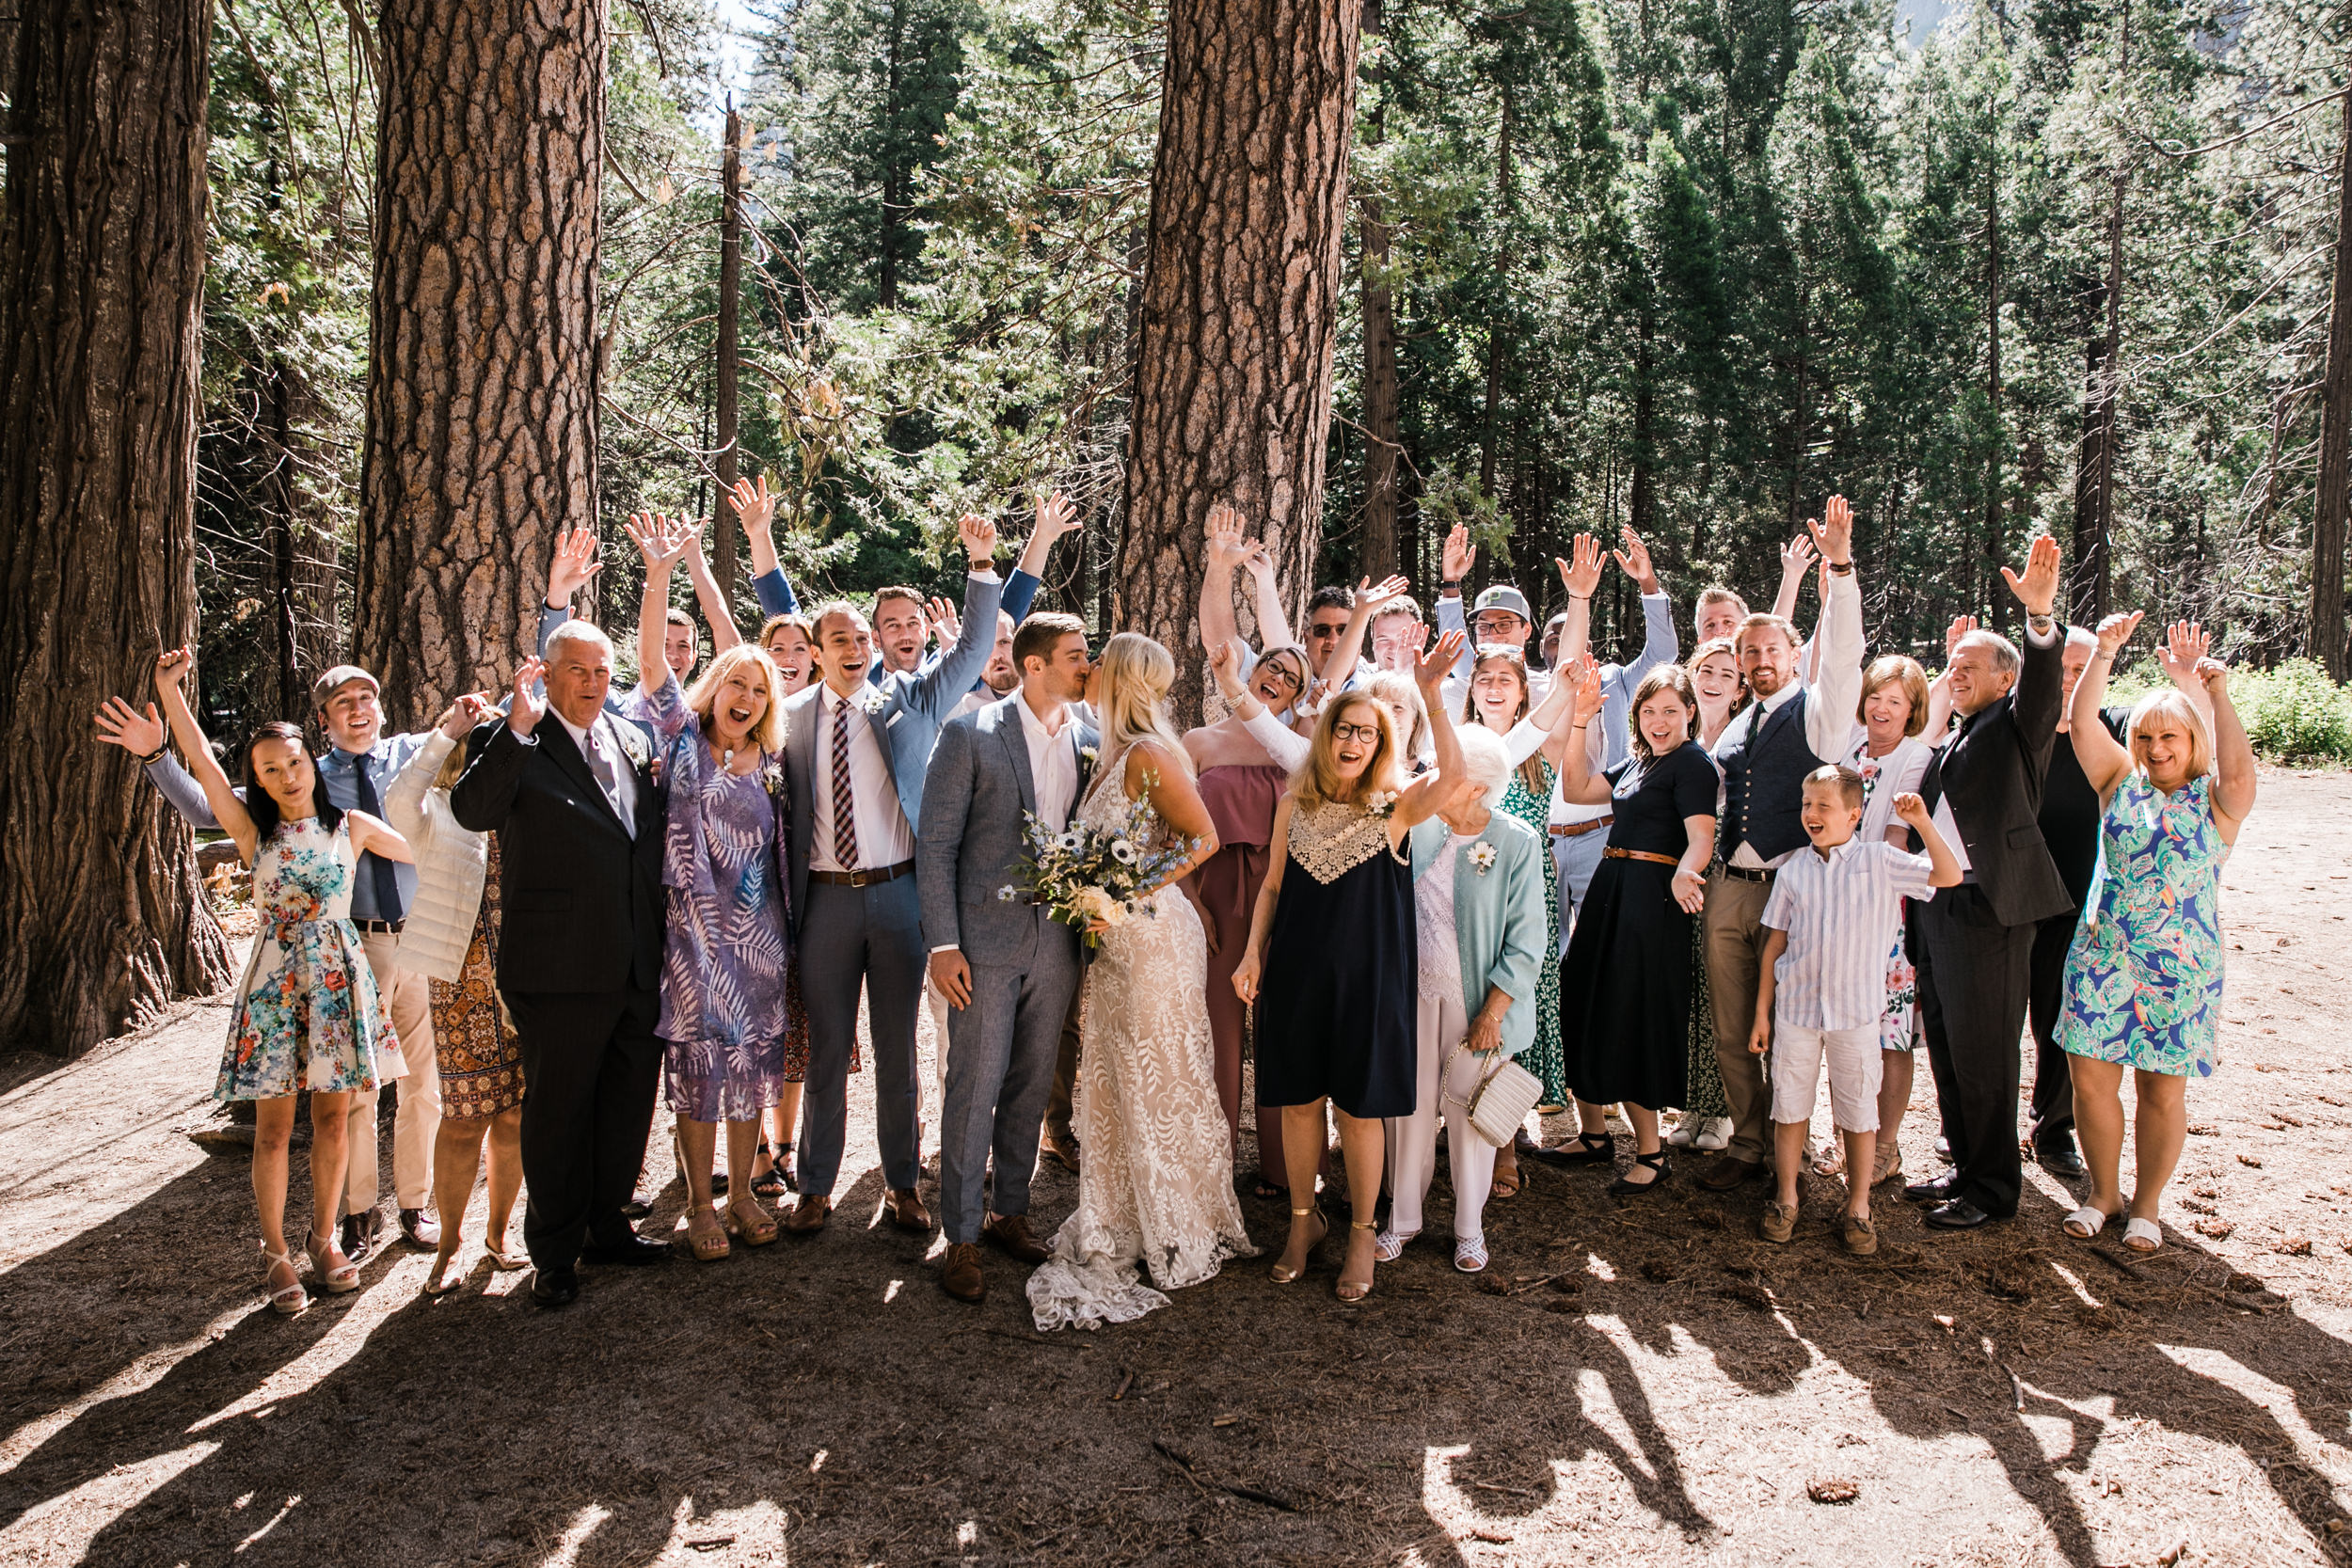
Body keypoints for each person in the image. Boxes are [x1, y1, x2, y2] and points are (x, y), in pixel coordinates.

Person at [118, 659, 442, 1259]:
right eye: (273, 769)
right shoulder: (266, 820)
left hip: (357, 969)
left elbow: (433, 846)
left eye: (294, 764)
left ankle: (382, 1218)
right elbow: (209, 781)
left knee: (390, 1096)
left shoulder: (368, 806)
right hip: (288, 980)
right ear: (263, 778)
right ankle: (330, 1229)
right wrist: (163, 720)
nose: (288, 775)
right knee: (308, 1118)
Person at [777, 513, 1004, 1236]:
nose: (856, 648)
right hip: (824, 903)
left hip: (901, 897)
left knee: (898, 1051)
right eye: (840, 637)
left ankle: (904, 1185)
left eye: (864, 639)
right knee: (827, 1048)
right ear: (815, 651)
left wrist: (979, 567)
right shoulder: (787, 721)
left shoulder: (909, 703)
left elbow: (971, 650)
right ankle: (815, 1185)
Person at [1027, 632, 1254, 1328]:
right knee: (1121, 1071)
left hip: (1153, 937)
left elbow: (1203, 838)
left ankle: (1179, 1221)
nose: (1087, 670)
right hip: (1116, 944)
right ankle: (1126, 1210)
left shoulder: (1152, 754)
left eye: (1097, 663)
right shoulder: (1110, 753)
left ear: (1118, 677)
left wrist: (1124, 891)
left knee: (1163, 1073)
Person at [1232, 631, 1466, 1304]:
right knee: (1299, 1105)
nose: (1352, 742)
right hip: (1296, 977)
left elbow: (1451, 780)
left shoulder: (1395, 809)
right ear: (1326, 735)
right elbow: (1272, 888)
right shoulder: (1292, 806)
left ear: (1382, 743)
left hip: (1368, 986)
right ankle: (1305, 1223)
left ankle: (1363, 1230)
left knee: (1359, 1114)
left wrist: (1432, 696)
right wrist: (1252, 953)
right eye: (1343, 729)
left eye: (1367, 732)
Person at [451, 628, 672, 1308]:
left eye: (603, 669)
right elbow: (471, 809)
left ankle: (608, 1227)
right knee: (559, 1112)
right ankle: (553, 1250)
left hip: (636, 957)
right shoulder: (515, 737)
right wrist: (515, 729)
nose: (593, 681)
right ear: (546, 675)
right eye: (576, 669)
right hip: (557, 966)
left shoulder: (631, 740)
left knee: (626, 1104)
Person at [622, 515, 796, 1260]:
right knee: (699, 1065)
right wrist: (662, 571)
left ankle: (745, 1191)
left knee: (753, 1065)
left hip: (759, 945)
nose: (748, 695)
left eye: (760, 689)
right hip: (692, 941)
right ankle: (698, 1202)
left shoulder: (772, 765)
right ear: (715, 686)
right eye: (737, 681)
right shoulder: (680, 740)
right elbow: (655, 665)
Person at [2056, 615, 2255, 1252]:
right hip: (2102, 955)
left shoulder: (2218, 802)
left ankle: (2147, 1204)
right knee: (2091, 1080)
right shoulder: (2119, 784)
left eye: (2170, 735)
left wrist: (2217, 695)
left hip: (2180, 969)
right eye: (2146, 736)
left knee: (2160, 1090)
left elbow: (2239, 769)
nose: (2158, 747)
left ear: (2192, 738)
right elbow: (2084, 725)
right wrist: (2104, 653)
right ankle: (2103, 1193)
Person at [919, 613, 1097, 1302]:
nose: (1087, 665)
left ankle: (1008, 1213)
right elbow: (935, 845)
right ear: (1033, 666)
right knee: (975, 1087)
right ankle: (960, 1234)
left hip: (1057, 942)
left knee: (1029, 1083)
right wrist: (943, 943)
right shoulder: (970, 734)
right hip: (981, 947)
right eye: (1076, 656)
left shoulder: (1089, 738)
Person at [1902, 533, 2073, 1232]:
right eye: (1952, 665)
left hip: (1991, 907)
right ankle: (1966, 1164)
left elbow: (2042, 686)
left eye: (1969, 666)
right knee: (1946, 1042)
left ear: (2005, 679)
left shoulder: (2018, 724)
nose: (1956, 673)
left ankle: (1995, 1189)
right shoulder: (1959, 732)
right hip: (1940, 904)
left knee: (1987, 1053)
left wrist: (2039, 622)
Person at [1698, 495, 1865, 1195]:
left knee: (1797, 1035)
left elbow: (1847, 656)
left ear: (1795, 654)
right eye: (1751, 651)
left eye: (1774, 649)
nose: (1762, 659)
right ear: (1738, 660)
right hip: (1729, 889)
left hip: (1794, 893)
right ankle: (1749, 1143)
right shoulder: (1735, 724)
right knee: (1734, 1025)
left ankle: (1795, 1153)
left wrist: (1840, 571)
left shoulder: (1819, 716)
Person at [1749, 771, 1960, 1255]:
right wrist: (1763, 1013)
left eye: (1824, 805)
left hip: (1856, 1014)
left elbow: (1946, 875)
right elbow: (1774, 945)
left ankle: (1859, 1205)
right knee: (1789, 1106)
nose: (1812, 814)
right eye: (1806, 803)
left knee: (1858, 1110)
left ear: (1854, 813)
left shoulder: (1880, 861)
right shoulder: (1794, 870)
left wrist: (1923, 823)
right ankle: (1786, 1198)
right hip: (1797, 1012)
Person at [1381, 724, 1549, 1275]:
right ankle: (1402, 1218)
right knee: (1407, 1108)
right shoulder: (1416, 825)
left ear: (1475, 787)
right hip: (1412, 995)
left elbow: (1528, 941)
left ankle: (1469, 1229)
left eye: (1444, 773)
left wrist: (1494, 1012)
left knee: (1469, 1114)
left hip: (1476, 1002)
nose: (1431, 779)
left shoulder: (1516, 839)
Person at [1554, 661, 1720, 1196]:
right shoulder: (1638, 763)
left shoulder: (1693, 764)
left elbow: (1701, 835)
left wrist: (1684, 874)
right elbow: (1576, 788)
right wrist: (1579, 721)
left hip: (1653, 897)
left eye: (1670, 710)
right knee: (1583, 995)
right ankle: (1595, 1133)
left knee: (1631, 1012)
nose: (1659, 720)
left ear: (1690, 713)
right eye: (1648, 711)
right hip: (1611, 886)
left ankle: (1651, 1152)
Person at [386, 692, 529, 1294]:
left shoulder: (519, 811)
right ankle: (448, 1243)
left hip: (522, 981)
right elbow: (396, 799)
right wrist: (449, 731)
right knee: (466, 1119)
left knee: (518, 1116)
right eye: (475, 750)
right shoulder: (434, 811)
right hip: (460, 984)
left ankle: (499, 1237)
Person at [1806, 654, 1942, 1188]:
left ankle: (1885, 1147)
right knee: (1840, 1027)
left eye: (1895, 701)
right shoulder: (1849, 750)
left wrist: (1857, 872)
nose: (1882, 709)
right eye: (1875, 698)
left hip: (1884, 910)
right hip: (1828, 905)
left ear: (1912, 710)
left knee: (1888, 1035)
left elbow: (1894, 833)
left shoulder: (1916, 756)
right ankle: (1847, 1140)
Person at [1189, 641, 1313, 1197]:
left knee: (1278, 1030)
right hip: (1214, 892)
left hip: (1281, 895)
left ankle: (1282, 1168)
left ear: (1297, 695)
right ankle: (1213, 1166)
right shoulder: (1198, 741)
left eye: (1291, 678)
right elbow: (1175, 827)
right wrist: (1192, 902)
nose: (1278, 678)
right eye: (1272, 666)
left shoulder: (1300, 745)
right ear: (1252, 670)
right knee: (1219, 1030)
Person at [1457, 642, 1578, 1192]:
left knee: (1511, 1011)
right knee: (1459, 1006)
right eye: (1485, 678)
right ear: (1472, 689)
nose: (1496, 687)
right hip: (1460, 894)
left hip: (1524, 896)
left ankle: (1506, 1136)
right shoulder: (1452, 749)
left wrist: (1578, 601)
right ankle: (1455, 1119)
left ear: (1524, 690)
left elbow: (1562, 693)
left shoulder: (1539, 748)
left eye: (1508, 678)